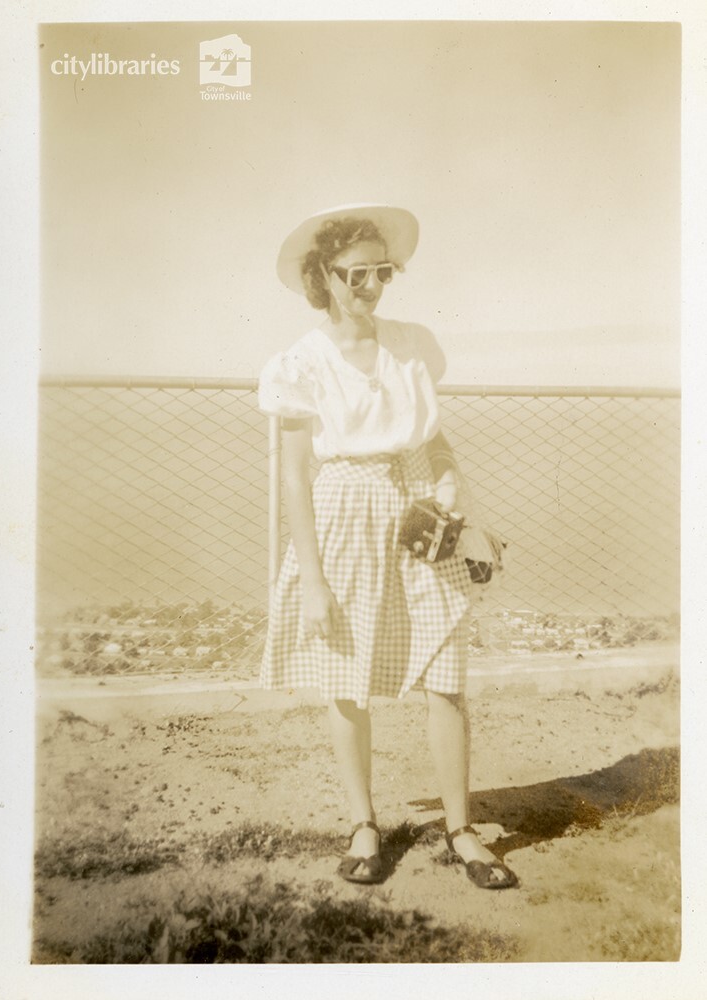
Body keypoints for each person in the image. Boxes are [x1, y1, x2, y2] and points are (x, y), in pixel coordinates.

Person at [258, 204, 517, 889]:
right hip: (344, 517)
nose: (371, 286)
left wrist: (456, 498)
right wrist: (314, 582)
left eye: (382, 272)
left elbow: (433, 439)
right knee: (347, 682)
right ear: (323, 275)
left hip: (420, 511)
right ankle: (364, 825)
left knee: (448, 675)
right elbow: (294, 477)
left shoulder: (411, 344)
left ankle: (461, 831)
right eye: (355, 274)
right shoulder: (300, 363)